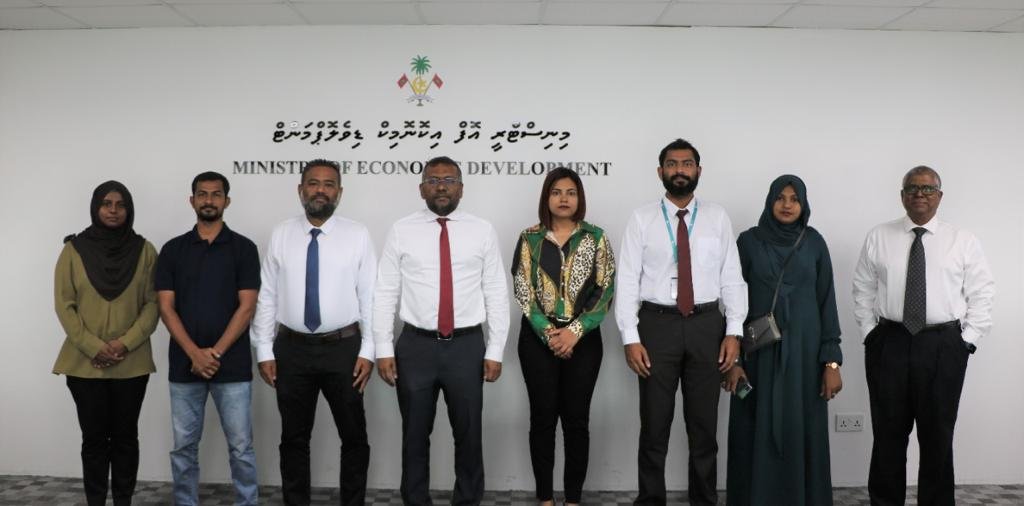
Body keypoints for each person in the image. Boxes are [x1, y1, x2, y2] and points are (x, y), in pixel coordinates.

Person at [615, 138, 747, 505]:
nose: (679, 170)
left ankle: (704, 500)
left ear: (698, 171)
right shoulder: (641, 219)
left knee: (704, 428)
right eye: (672, 164)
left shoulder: (717, 217)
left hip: (706, 325)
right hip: (656, 327)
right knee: (654, 425)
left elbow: (731, 277)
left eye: (687, 164)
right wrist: (630, 337)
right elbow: (627, 280)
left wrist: (734, 332)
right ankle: (651, 500)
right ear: (660, 171)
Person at [852, 165, 994, 506]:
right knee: (887, 434)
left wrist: (967, 341)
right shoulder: (879, 236)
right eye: (912, 188)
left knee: (937, 437)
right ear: (902, 196)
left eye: (928, 188)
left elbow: (982, 293)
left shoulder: (962, 240)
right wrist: (871, 334)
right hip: (890, 343)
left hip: (943, 346)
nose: (920, 194)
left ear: (940, 196)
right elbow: (862, 288)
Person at [374, 156, 509, 506]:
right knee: (414, 436)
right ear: (422, 189)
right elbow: (385, 290)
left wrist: (495, 349)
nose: (441, 186)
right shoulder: (402, 230)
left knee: (469, 435)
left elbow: (496, 290)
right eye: (433, 180)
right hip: (415, 346)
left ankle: (467, 501)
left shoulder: (482, 230)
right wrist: (383, 348)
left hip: (466, 346)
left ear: (461, 188)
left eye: (449, 180)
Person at [251, 159, 377, 506]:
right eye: (313, 183)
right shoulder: (281, 234)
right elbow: (267, 296)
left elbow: (370, 296)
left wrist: (369, 350)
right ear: (300, 189)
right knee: (293, 438)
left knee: (354, 436)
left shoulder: (357, 234)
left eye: (329, 184)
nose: (320, 190)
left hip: (344, 349)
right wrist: (264, 350)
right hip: (291, 349)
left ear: (339, 192)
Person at [722, 174, 843, 506]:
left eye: (794, 199)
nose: (787, 205)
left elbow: (827, 303)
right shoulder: (748, 242)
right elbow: (732, 301)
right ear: (769, 201)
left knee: (802, 428)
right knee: (751, 426)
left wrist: (832, 363)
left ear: (804, 204)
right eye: (780, 198)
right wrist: (733, 361)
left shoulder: (815, 243)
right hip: (756, 356)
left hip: (805, 359)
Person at [512, 167, 615, 506]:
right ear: (546, 198)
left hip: (583, 341)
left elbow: (605, 290)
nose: (564, 199)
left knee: (576, 421)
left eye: (571, 192)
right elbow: (524, 292)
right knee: (542, 419)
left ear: (579, 198)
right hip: (537, 340)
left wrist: (573, 332)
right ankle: (545, 498)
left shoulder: (596, 238)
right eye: (556, 192)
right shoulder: (529, 239)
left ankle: (572, 499)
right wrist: (550, 335)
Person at [155, 171, 260, 506]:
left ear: (227, 201)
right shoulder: (172, 250)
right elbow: (166, 308)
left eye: (216, 194)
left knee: (241, 447)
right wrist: (194, 354)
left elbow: (247, 307)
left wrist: (213, 354)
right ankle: (186, 502)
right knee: (183, 447)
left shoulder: (244, 249)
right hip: (184, 366)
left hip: (233, 366)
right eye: (202, 194)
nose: (209, 200)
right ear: (192, 201)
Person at [53, 180, 158, 506]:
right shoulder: (73, 251)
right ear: (95, 207)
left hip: (132, 363)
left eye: (121, 204)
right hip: (84, 364)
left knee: (126, 438)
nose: (113, 210)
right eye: (106, 204)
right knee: (94, 439)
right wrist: (94, 347)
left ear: (129, 209)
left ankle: (123, 501)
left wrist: (124, 344)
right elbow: (64, 305)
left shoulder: (145, 251)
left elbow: (153, 304)